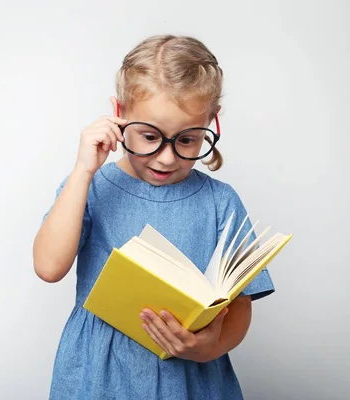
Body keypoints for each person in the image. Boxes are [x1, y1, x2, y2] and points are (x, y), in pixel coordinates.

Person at [32, 34, 275, 399]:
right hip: (100, 376)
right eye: (149, 136)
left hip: (192, 378)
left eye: (188, 140)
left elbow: (240, 302)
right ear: (119, 114)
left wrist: (210, 347)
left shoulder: (220, 201)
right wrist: (83, 171)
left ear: (212, 122)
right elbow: (49, 267)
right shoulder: (91, 188)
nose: (166, 158)